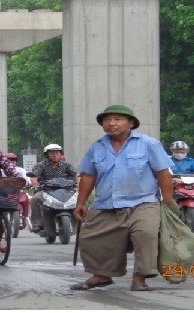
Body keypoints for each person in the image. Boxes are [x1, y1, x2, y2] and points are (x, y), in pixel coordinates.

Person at [72, 104, 175, 292]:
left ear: (131, 123)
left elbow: (163, 173)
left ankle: (140, 277)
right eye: (107, 120)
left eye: (118, 119)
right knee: (88, 237)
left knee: (146, 234)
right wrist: (80, 203)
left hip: (143, 202)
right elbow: (88, 176)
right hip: (106, 203)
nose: (112, 123)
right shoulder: (96, 147)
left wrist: (168, 203)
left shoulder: (148, 144)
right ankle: (102, 275)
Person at [29, 144, 77, 233]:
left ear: (60, 154)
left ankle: (83, 222)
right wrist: (36, 185)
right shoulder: (41, 165)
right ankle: (37, 224)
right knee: (35, 199)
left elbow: (76, 175)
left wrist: (79, 183)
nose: (55, 155)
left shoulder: (66, 165)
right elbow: (34, 177)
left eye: (57, 153)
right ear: (47, 155)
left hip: (66, 190)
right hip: (47, 190)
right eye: (52, 153)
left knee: (81, 199)